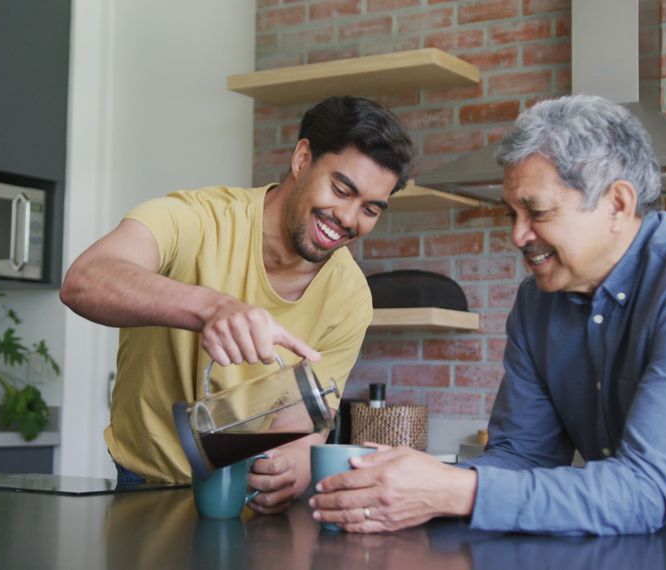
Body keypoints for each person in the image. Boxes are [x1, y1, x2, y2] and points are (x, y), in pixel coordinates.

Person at [309, 94, 666, 569]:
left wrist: (453, 490)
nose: (518, 235)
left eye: (536, 211)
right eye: (510, 213)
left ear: (618, 204)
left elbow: (644, 490)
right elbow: (523, 456)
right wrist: (421, 476)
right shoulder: (537, 303)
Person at [60, 96, 413, 514]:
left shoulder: (350, 296)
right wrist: (213, 308)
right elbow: (85, 280)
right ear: (302, 158)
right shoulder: (196, 219)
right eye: (341, 189)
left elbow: (302, 423)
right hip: (145, 487)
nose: (349, 219)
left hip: (245, 501)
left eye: (370, 209)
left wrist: (295, 464)